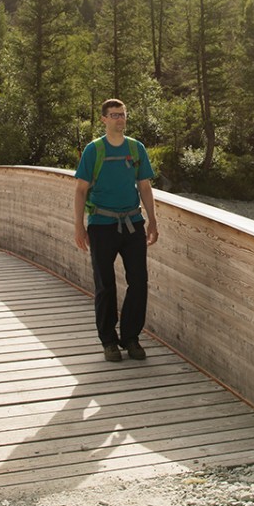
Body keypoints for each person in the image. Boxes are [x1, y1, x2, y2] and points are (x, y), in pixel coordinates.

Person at [73, 98, 159, 362]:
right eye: (114, 115)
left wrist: (153, 220)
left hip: (133, 223)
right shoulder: (94, 150)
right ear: (104, 119)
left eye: (122, 115)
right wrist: (79, 226)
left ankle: (131, 337)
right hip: (101, 225)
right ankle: (109, 341)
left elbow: (144, 186)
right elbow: (80, 189)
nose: (119, 119)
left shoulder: (136, 149)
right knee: (105, 285)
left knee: (139, 282)